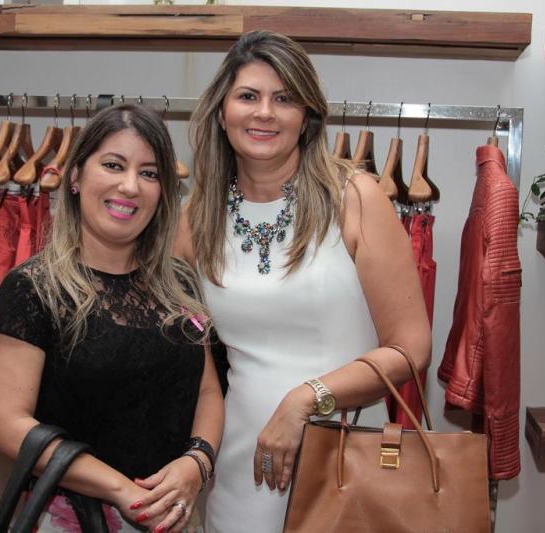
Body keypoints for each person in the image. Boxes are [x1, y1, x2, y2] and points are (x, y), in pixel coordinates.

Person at [177, 31, 432, 532]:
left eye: (284, 98)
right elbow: (179, 352)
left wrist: (304, 400)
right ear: (222, 111)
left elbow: (411, 349)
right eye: (248, 96)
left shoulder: (355, 198)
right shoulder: (196, 217)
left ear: (307, 116)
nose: (264, 113)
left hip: (345, 460)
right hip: (242, 466)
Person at [0, 104, 224, 533]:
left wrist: (196, 463)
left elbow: (207, 390)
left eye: (149, 173)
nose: (130, 186)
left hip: (173, 516)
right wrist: (120, 489)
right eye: (113, 165)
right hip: (72, 519)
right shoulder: (33, 289)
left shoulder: (180, 283)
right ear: (76, 176)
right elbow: (3, 425)